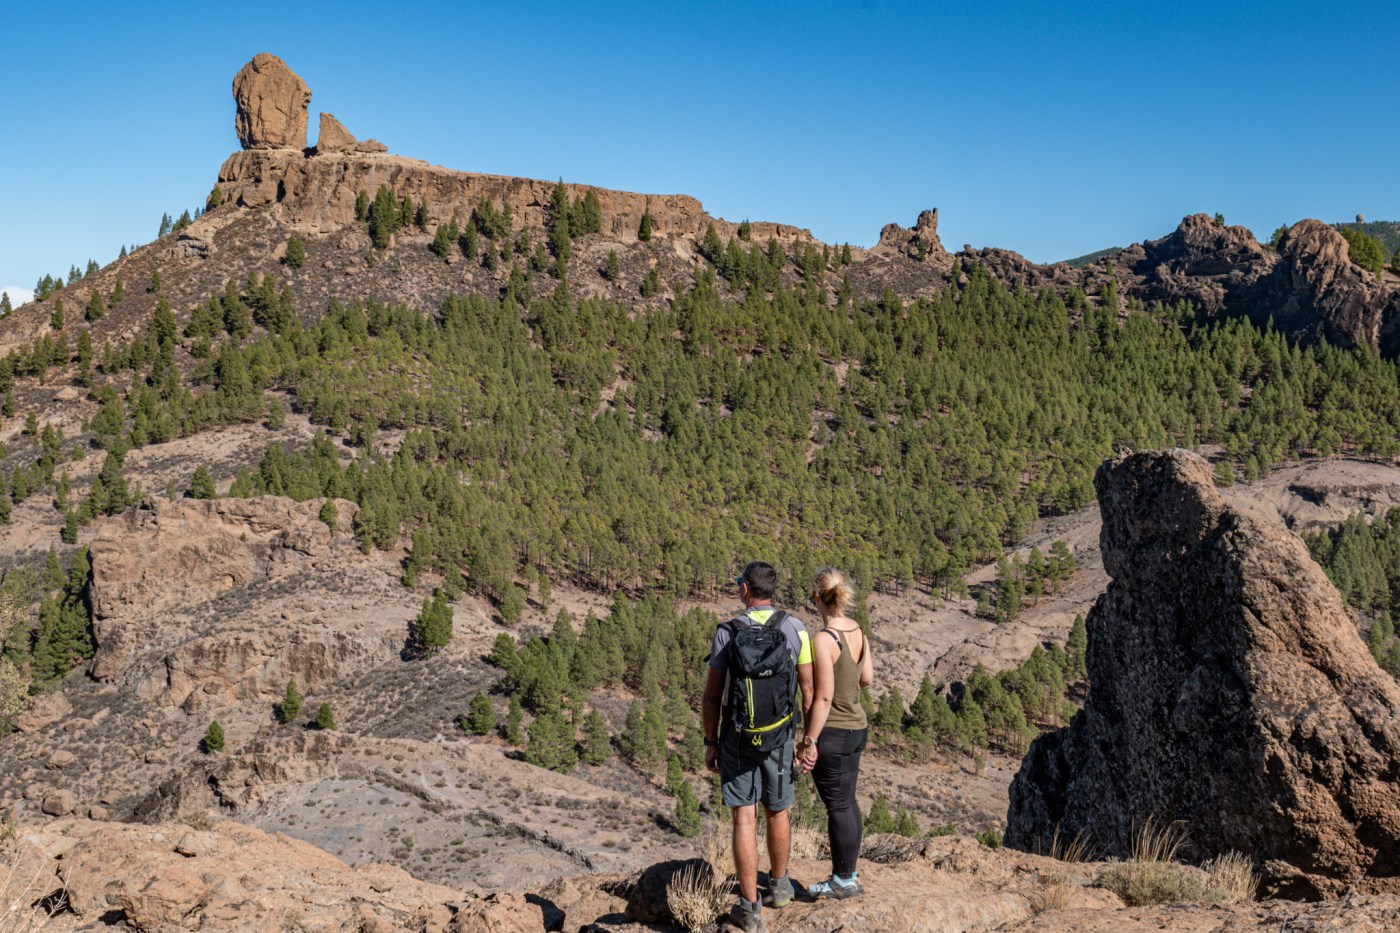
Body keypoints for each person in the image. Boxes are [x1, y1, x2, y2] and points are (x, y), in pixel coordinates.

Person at [703, 561, 813, 933]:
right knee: (777, 810)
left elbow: (712, 697)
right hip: (780, 736)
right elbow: (809, 691)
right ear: (772, 589)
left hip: (737, 737)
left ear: (746, 590)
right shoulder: (795, 628)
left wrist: (710, 742)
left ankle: (750, 911)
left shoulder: (727, 632)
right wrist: (807, 740)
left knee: (744, 817)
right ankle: (780, 887)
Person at [796, 568, 873, 899]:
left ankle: (842, 880)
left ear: (817, 598)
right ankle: (848, 873)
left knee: (838, 805)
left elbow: (822, 697)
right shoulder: (858, 631)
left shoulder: (823, 639)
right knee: (847, 801)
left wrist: (809, 741)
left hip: (834, 731)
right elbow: (867, 678)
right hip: (858, 726)